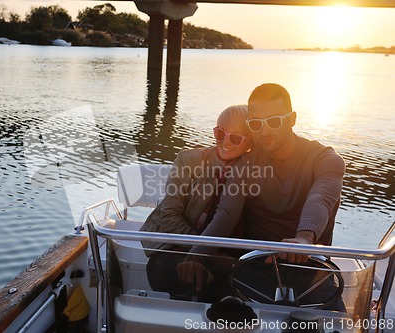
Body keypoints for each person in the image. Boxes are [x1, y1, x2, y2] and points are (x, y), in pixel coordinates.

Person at [179, 83, 346, 309]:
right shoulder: (244, 166)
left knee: (334, 324)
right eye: (256, 124)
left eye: (274, 121)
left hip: (312, 270)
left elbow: (321, 198)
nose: (265, 132)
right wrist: (195, 255)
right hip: (256, 267)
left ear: (292, 119)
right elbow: (226, 215)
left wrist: (304, 238)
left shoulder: (325, 159)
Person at [140, 104, 252, 301]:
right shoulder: (188, 160)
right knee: (169, 271)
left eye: (235, 137)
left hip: (223, 253)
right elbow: (169, 218)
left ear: (249, 142)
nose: (225, 142)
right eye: (220, 133)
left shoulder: (253, 169)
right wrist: (208, 253)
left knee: (238, 286)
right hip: (176, 245)